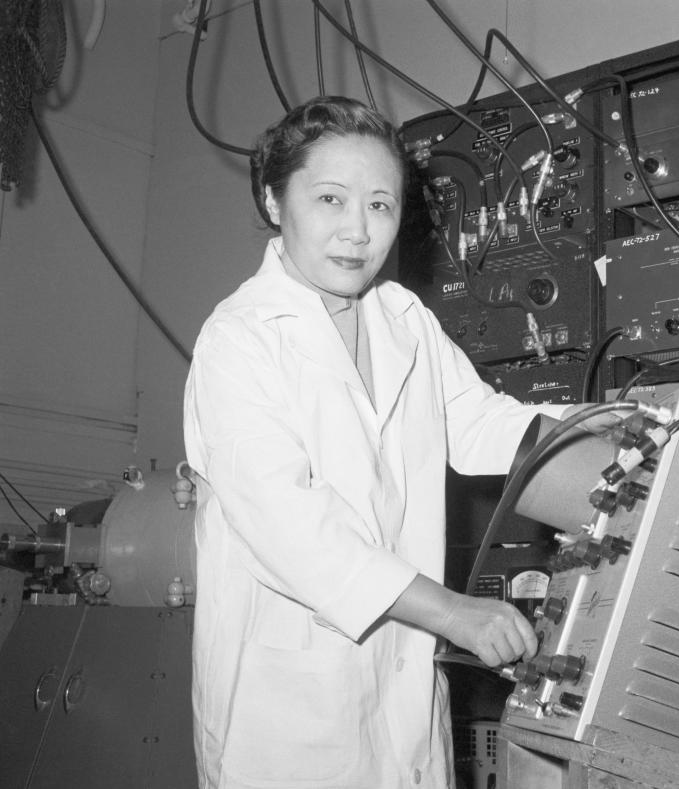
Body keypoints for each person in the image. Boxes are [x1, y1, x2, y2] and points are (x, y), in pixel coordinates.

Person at [182, 95, 583, 788]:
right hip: (285, 717)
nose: (357, 232)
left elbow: (481, 423)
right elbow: (297, 532)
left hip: (401, 697)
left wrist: (616, 427)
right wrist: (455, 612)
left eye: (380, 206)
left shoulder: (403, 318)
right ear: (275, 200)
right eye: (331, 199)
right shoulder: (238, 339)